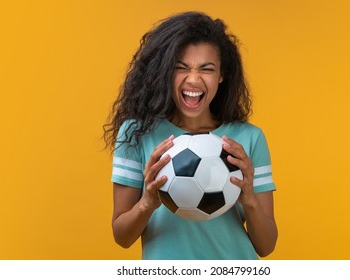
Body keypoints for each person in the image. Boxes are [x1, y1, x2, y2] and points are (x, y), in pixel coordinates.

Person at [103, 11, 278, 260]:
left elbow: (266, 246)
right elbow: (122, 237)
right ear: (164, 72)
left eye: (206, 69)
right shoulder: (137, 134)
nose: (193, 79)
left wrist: (249, 198)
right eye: (180, 67)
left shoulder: (249, 138)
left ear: (221, 75)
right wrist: (147, 202)